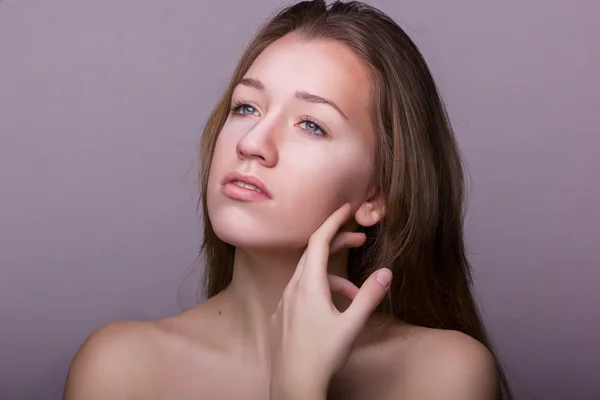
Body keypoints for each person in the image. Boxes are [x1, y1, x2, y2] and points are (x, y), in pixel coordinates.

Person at [63, 1, 512, 399]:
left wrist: (298, 387)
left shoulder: (443, 374)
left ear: (377, 194)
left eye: (311, 125)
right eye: (246, 108)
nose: (253, 142)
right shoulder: (119, 369)